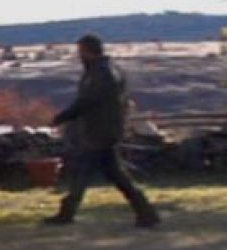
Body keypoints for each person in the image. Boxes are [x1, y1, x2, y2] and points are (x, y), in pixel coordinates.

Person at [43, 35, 160, 227]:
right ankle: (146, 212)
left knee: (85, 172)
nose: (79, 55)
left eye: (81, 51)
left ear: (88, 51)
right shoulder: (106, 70)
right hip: (105, 129)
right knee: (113, 174)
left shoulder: (101, 73)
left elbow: (89, 101)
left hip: (100, 131)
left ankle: (67, 213)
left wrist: (64, 116)